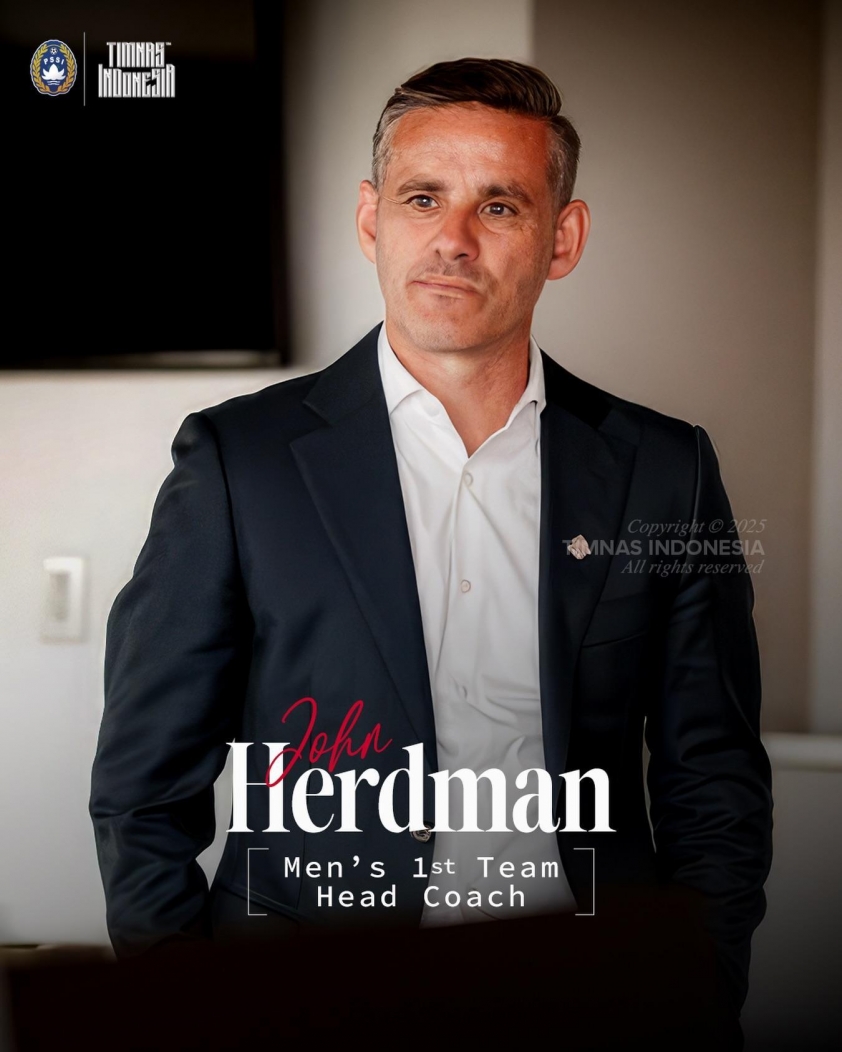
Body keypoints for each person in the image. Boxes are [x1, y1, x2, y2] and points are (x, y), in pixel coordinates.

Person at [89, 57, 772, 1040]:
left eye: (498, 206)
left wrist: (699, 985)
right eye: (422, 198)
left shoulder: (667, 469)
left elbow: (713, 775)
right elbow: (142, 786)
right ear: (372, 219)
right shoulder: (239, 461)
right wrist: (185, 1008)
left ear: (562, 238)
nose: (452, 239)